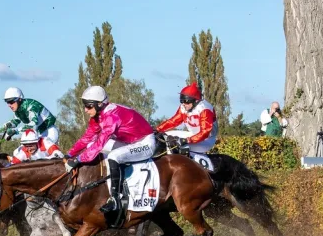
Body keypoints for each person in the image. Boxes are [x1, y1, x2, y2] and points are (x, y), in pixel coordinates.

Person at [65, 86, 156, 215]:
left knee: (113, 156)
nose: (85, 110)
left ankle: (115, 199)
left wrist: (78, 160)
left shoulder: (111, 116)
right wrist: (69, 154)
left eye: (89, 106)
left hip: (145, 143)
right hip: (128, 142)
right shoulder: (98, 115)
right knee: (91, 144)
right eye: (84, 105)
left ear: (100, 104)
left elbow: (99, 144)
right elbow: (87, 138)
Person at [156, 81, 219, 153]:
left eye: (186, 101)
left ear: (195, 101)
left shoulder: (204, 109)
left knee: (177, 145)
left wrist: (187, 140)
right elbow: (173, 121)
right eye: (182, 101)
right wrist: (157, 129)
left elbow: (205, 132)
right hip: (192, 135)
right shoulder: (184, 107)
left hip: (206, 140)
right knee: (165, 136)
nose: (183, 104)